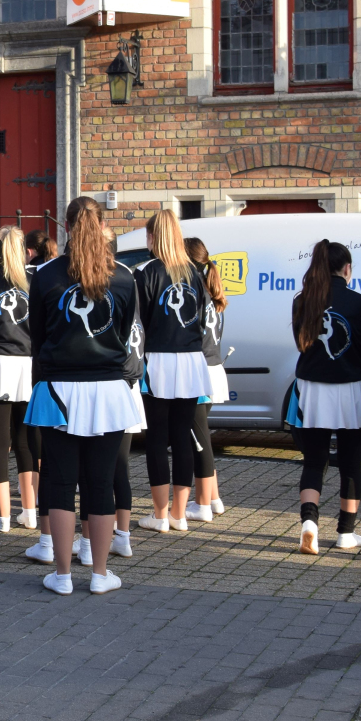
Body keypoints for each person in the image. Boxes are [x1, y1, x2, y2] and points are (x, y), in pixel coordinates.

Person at [23, 196, 142, 595]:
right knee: (101, 482)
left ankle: (61, 576)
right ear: (103, 225)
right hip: (108, 389)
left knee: (60, 482)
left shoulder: (45, 274)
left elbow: (38, 337)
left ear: (66, 226)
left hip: (59, 388)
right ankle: (100, 574)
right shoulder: (124, 275)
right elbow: (123, 334)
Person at [287, 240, 361, 555]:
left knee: (314, 461)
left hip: (312, 387)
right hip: (351, 387)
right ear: (347, 269)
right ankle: (346, 533)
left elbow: (300, 343)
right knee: (351, 462)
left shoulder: (302, 300)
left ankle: (309, 524)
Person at [131, 210, 211, 532]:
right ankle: (179, 514)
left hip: (159, 360)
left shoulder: (145, 272)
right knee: (182, 437)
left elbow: (138, 323)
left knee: (157, 439)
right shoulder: (194, 272)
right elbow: (201, 318)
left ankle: (160, 515)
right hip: (191, 360)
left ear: (152, 237)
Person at [0, 226, 33, 530]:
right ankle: (30, 511)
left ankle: (3, 517)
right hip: (30, 365)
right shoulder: (37, 281)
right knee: (28, 442)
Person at [185, 237, 228, 522]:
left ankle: (201, 504)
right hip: (212, 368)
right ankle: (213, 498)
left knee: (198, 440)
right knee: (201, 437)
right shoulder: (209, 289)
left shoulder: (194, 291)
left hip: (200, 371)